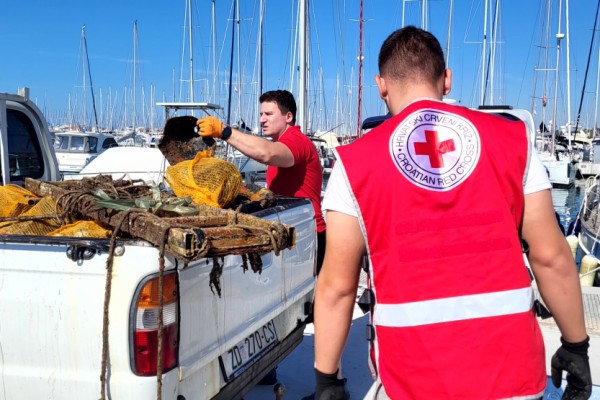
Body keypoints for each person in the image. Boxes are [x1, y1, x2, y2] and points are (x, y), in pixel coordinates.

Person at [311, 26, 591, 399]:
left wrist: (327, 380)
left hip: (412, 380)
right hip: (512, 376)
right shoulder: (513, 141)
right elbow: (551, 258)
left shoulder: (356, 161)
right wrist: (576, 347)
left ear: (381, 85)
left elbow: (338, 287)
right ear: (446, 79)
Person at [196, 89, 327, 274]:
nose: (262, 120)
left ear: (288, 116)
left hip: (308, 234)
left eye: (268, 114)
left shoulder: (297, 141)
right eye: (261, 114)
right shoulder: (281, 142)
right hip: (290, 230)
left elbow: (267, 153)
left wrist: (224, 131)